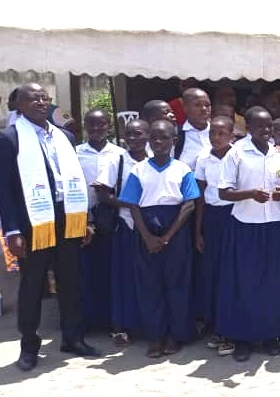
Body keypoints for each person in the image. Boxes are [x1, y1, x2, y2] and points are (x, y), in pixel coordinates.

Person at [0, 83, 100, 371]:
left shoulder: (65, 136)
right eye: (33, 98)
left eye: (44, 97)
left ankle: (73, 338)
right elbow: (2, 191)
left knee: (70, 281)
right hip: (33, 219)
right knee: (33, 285)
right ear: (18, 104)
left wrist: (85, 220)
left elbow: (76, 181)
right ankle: (29, 346)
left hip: (67, 216)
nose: (41, 102)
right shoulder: (8, 139)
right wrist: (13, 231)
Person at [216, 106, 280, 362]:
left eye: (269, 126)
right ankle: (243, 338)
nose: (266, 131)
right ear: (248, 128)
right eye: (260, 126)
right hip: (245, 225)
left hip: (275, 223)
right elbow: (223, 192)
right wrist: (250, 193)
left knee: (273, 281)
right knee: (245, 282)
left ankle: (270, 334)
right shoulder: (236, 154)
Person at [117, 119, 200, 358]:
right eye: (154, 138)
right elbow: (132, 204)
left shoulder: (182, 169)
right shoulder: (139, 170)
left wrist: (166, 237)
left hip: (176, 229)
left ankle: (176, 335)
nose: (159, 142)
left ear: (174, 141)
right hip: (145, 230)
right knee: (150, 285)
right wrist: (147, 237)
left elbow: (189, 205)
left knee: (177, 284)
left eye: (164, 138)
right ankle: (156, 336)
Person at [94, 118, 150, 347]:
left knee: (147, 278)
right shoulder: (117, 161)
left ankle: (146, 324)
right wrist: (127, 204)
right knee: (122, 278)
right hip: (125, 227)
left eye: (138, 134)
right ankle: (120, 327)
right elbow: (102, 193)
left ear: (148, 136)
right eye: (129, 134)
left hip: (151, 228)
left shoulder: (157, 160)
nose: (133, 139)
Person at [76, 109, 124, 333]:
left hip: (110, 217)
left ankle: (110, 318)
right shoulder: (75, 154)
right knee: (85, 270)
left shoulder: (119, 154)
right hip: (82, 218)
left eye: (101, 124)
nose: (96, 129)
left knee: (110, 268)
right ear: (85, 126)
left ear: (109, 127)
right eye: (91, 125)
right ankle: (87, 320)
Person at [191, 116, 236, 355]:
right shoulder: (203, 159)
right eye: (212, 134)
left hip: (235, 216)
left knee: (231, 272)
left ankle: (231, 328)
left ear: (232, 135)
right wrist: (198, 230)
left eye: (221, 133)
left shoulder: (238, 157)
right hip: (212, 218)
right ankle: (215, 324)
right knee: (213, 272)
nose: (215, 138)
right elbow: (199, 197)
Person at [177, 88, 212, 170]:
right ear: (185, 108)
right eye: (197, 105)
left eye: (207, 105)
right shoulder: (176, 134)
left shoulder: (221, 133)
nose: (204, 109)